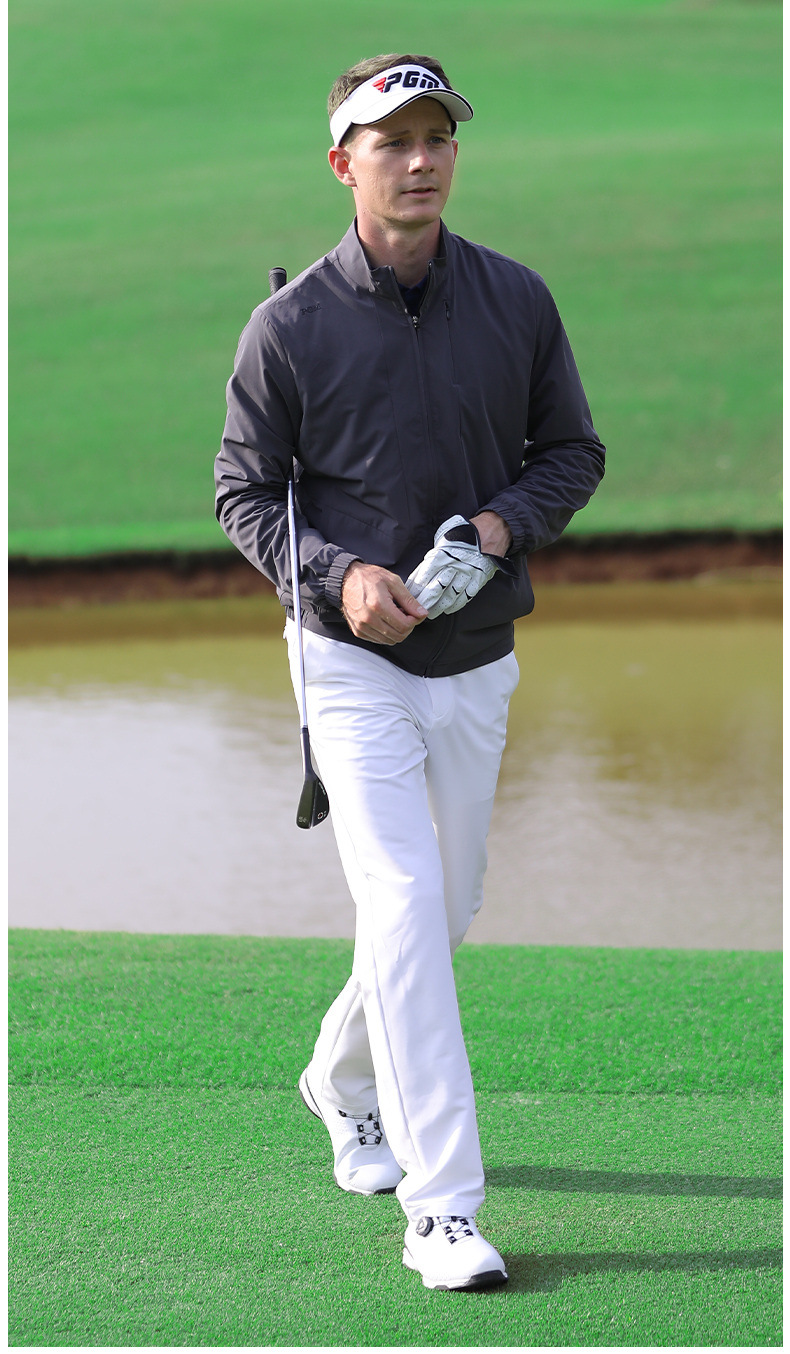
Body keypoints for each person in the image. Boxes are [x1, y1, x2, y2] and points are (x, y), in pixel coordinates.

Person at [215, 52, 605, 1291]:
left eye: (436, 138)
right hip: (347, 663)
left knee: (446, 906)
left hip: (475, 654)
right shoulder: (288, 328)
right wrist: (337, 579)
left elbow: (570, 452)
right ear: (345, 164)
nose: (420, 160)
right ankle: (443, 1210)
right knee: (399, 903)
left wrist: (497, 528)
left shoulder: (516, 298)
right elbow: (243, 494)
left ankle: (337, 1079)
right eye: (393, 142)